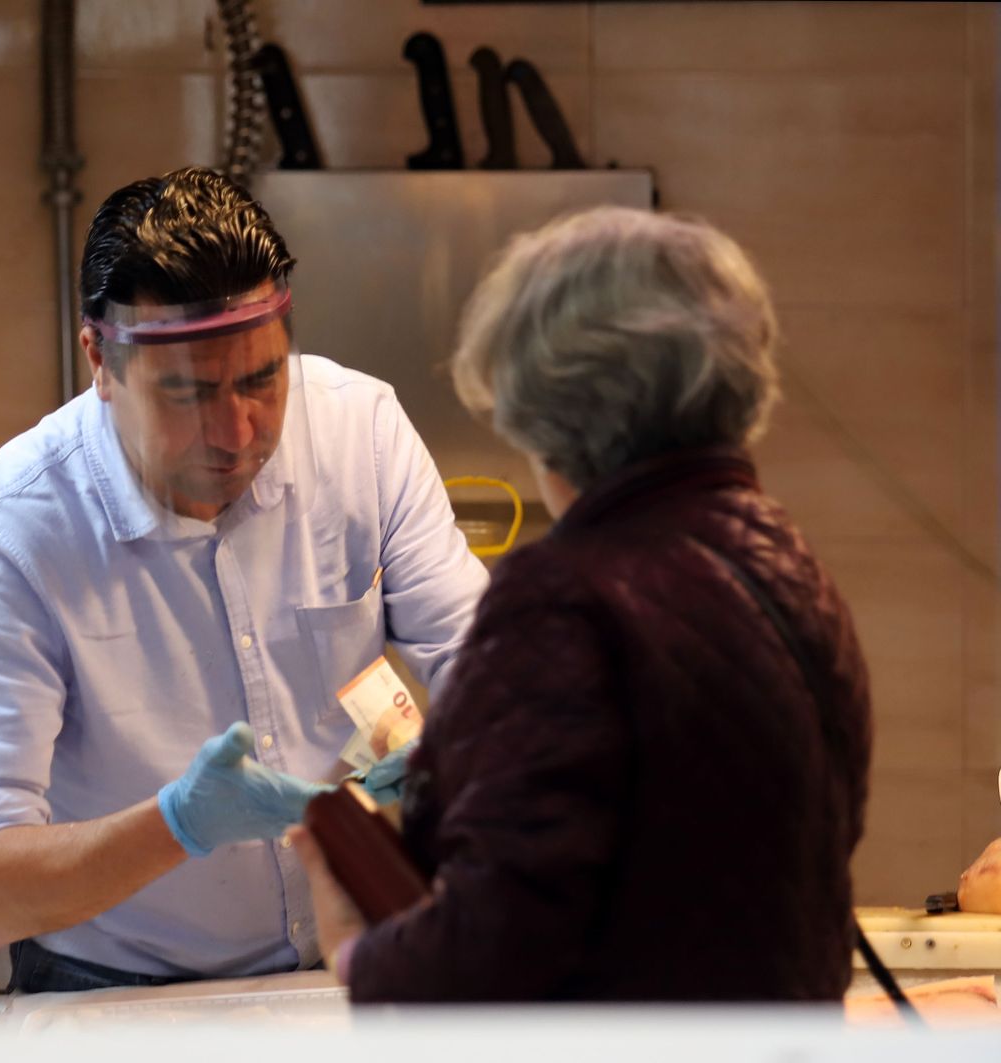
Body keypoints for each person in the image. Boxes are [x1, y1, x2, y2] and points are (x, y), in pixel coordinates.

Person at [0, 167, 489, 993]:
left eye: (262, 379)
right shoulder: (11, 532)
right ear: (100, 361)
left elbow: (485, 668)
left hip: (338, 970)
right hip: (113, 996)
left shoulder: (362, 434)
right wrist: (178, 823)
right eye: (187, 392)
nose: (236, 432)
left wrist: (460, 750)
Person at [292, 206, 873, 1002]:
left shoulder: (559, 600)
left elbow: (494, 944)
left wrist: (361, 953)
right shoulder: (791, 566)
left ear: (540, 407)